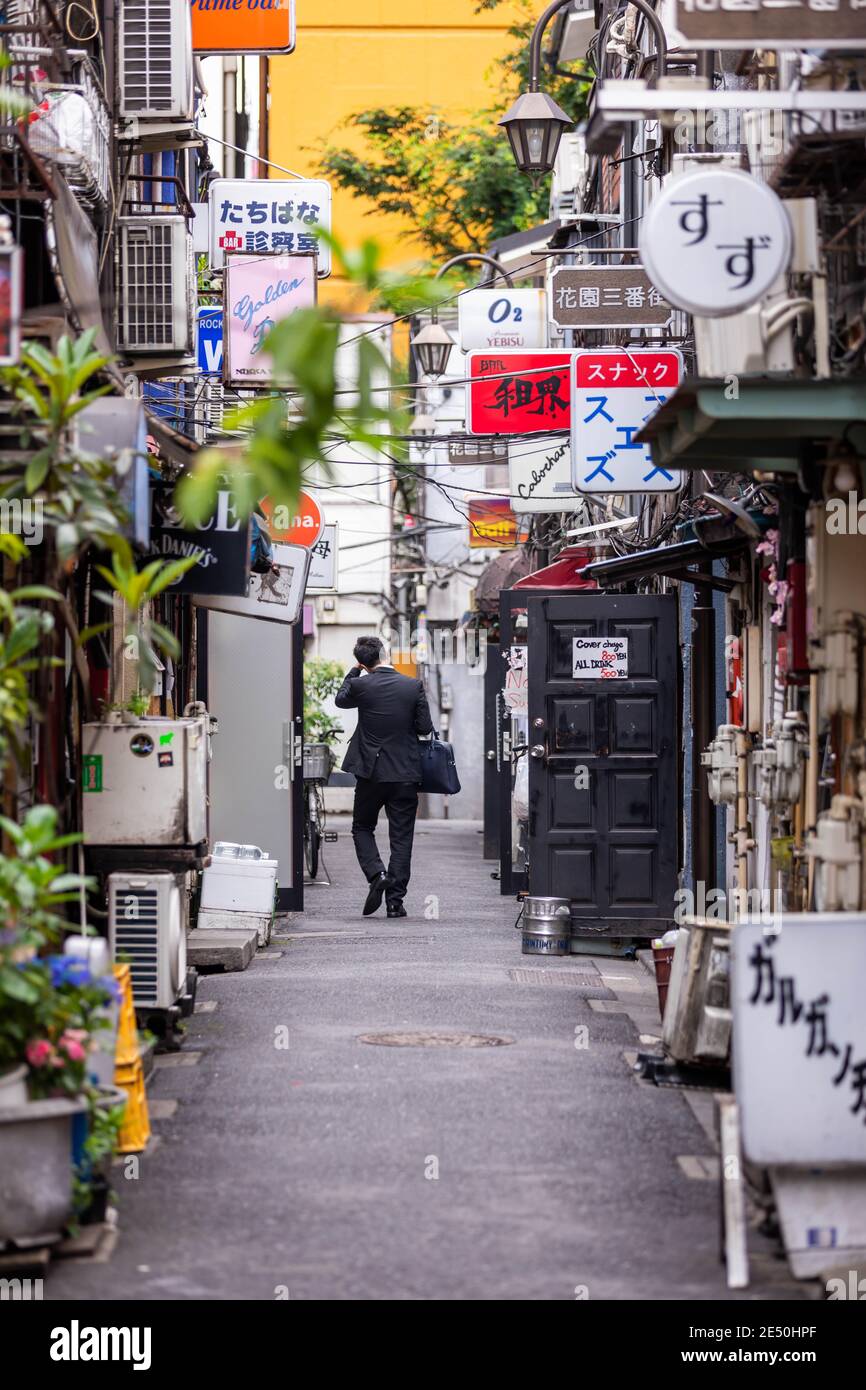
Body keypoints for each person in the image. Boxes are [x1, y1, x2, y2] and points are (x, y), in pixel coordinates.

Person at [335, 636, 434, 917]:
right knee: (402, 837)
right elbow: (424, 726)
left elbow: (341, 700)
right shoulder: (412, 685)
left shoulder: (360, 684)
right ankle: (395, 903)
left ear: (363, 663)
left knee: (362, 827)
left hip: (371, 773)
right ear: (385, 654)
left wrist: (355, 671)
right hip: (405, 772)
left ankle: (376, 874)